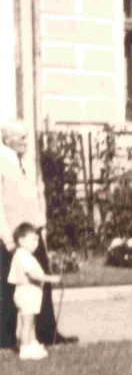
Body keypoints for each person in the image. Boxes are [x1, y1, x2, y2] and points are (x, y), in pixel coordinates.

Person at [0, 119, 75, 349]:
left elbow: (39, 192)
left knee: (43, 282)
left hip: (34, 233)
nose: (26, 142)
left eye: (26, 136)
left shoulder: (30, 163)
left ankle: (48, 333)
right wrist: (7, 239)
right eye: (21, 137)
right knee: (9, 286)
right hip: (12, 236)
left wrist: (42, 222)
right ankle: (5, 338)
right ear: (7, 139)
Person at [7, 222, 61, 360]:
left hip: (31, 293)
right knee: (27, 322)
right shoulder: (22, 255)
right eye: (33, 240)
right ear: (21, 240)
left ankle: (32, 343)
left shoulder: (25, 254)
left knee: (31, 322)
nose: (36, 243)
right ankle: (25, 348)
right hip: (26, 293)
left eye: (37, 240)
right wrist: (50, 279)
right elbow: (32, 274)